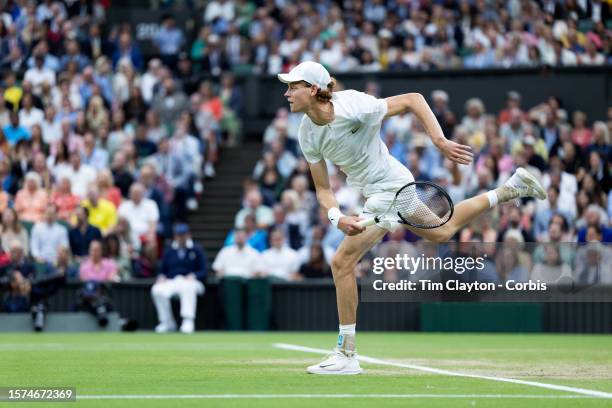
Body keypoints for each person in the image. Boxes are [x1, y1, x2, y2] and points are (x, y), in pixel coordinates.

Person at [278, 61, 547, 375]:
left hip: (390, 187)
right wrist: (337, 217)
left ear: (313, 89)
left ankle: (347, 353)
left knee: (341, 262)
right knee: (442, 232)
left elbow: (413, 99)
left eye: (293, 86)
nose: (287, 93)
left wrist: (439, 140)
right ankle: (509, 189)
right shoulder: (307, 132)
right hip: (377, 190)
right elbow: (323, 188)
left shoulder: (354, 106)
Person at [151, 224, 207, 334]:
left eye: (183, 235)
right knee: (157, 289)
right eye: (179, 235)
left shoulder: (197, 249)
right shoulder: (169, 251)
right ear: (175, 236)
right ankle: (166, 322)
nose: (181, 237)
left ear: (188, 235)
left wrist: (194, 276)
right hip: (173, 281)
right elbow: (162, 270)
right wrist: (161, 277)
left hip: (193, 283)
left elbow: (204, 271)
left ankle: (188, 320)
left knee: (188, 286)